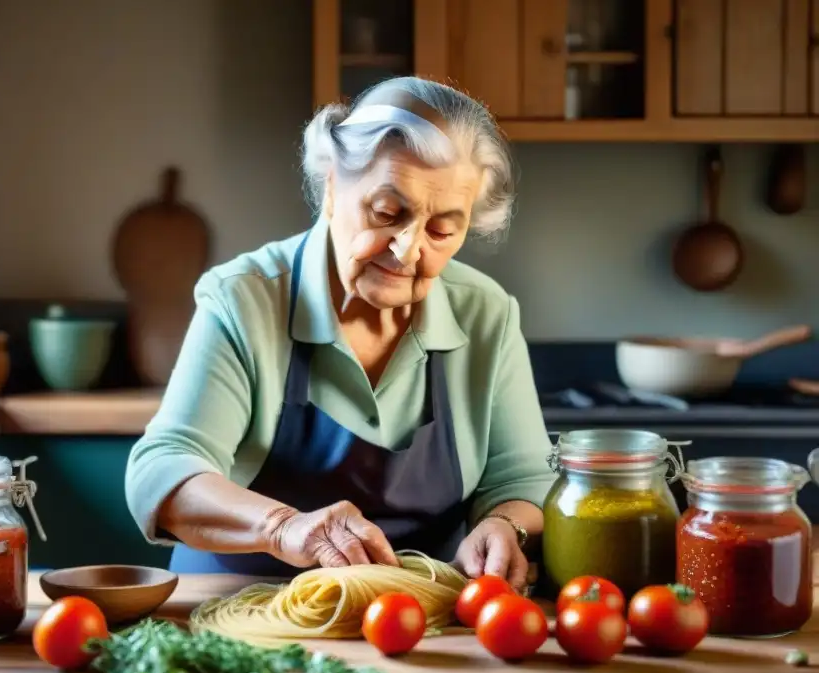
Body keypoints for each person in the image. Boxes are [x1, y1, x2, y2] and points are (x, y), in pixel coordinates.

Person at [125, 76, 556, 592]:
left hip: (416, 618)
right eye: (386, 212)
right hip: (240, 603)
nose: (407, 249)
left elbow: (525, 480)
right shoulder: (243, 298)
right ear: (331, 186)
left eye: (443, 229)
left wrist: (504, 526)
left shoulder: (486, 313)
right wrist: (283, 528)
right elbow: (163, 470)